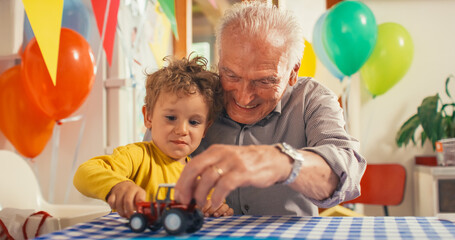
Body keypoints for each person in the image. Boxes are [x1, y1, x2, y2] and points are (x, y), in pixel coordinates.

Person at [170, 1, 367, 216]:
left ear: (293, 72)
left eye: (264, 81)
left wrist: (282, 161)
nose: (244, 97)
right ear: (219, 61)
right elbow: (147, 160)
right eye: (231, 75)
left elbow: (345, 170)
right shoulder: (189, 93)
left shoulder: (312, 98)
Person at [74, 55, 233, 218]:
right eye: (171, 118)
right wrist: (118, 186)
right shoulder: (137, 156)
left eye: (193, 122)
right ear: (148, 117)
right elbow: (84, 173)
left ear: (205, 129)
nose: (182, 130)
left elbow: (214, 208)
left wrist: (216, 209)